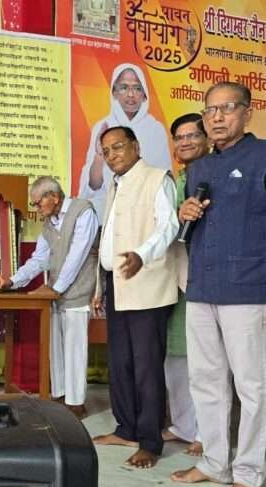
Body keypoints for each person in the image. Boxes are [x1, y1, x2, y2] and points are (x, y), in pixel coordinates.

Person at [171, 82, 266, 487]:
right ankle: (214, 462)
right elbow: (195, 230)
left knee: (253, 387)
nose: (216, 117)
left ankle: (247, 473)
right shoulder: (200, 168)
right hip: (202, 289)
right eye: (210, 110)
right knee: (205, 382)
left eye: (227, 108)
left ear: (247, 112)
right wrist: (184, 214)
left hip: (251, 290)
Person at [91, 126, 179, 468]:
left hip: (148, 284)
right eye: (106, 152)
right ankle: (126, 429)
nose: (112, 155)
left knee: (146, 367)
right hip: (117, 283)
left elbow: (169, 226)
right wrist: (101, 286)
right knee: (120, 362)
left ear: (136, 146)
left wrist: (142, 254)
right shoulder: (116, 185)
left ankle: (150, 441)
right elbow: (110, 238)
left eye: (118, 147)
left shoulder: (157, 179)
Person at [0, 176, 98, 418]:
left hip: (78, 291)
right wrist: (13, 281)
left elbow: (78, 255)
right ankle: (60, 396)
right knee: (56, 349)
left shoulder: (83, 211)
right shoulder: (49, 224)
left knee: (74, 349)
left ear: (54, 197)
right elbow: (39, 260)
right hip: (54, 294)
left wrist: (56, 288)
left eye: (38, 203)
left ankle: (75, 404)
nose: (36, 208)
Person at [163, 113, 210, 457]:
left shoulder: (214, 175)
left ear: (207, 139)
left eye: (192, 135)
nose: (185, 142)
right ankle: (182, 425)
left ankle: (207, 434)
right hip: (174, 279)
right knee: (176, 357)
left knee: (207, 362)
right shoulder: (177, 178)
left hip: (206, 278)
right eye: (179, 137)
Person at [78, 63, 171, 219]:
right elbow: (92, 187)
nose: (130, 94)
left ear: (144, 94)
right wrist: (100, 155)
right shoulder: (102, 127)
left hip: (145, 212)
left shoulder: (156, 129)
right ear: (114, 92)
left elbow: (164, 180)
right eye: (123, 87)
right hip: (107, 212)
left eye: (137, 88)